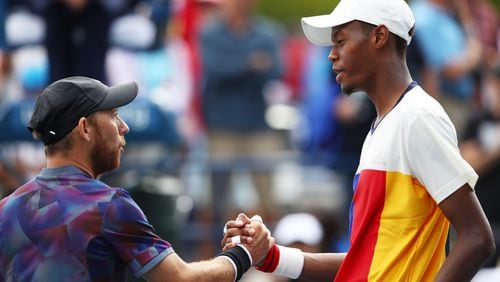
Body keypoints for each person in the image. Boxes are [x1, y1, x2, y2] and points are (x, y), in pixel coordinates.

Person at [223, 0, 495, 281]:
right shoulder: (387, 123)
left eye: (340, 41)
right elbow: (368, 260)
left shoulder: (417, 117)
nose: (332, 55)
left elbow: (477, 236)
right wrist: (271, 256)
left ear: (379, 36)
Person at [0, 76, 273, 281]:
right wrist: (245, 253)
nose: (124, 127)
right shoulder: (108, 204)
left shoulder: (6, 209)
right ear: (85, 128)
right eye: (114, 115)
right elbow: (181, 279)